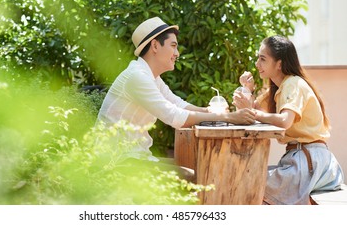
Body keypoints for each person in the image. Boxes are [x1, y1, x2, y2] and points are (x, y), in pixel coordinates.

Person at [97, 17, 255, 165]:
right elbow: (175, 116)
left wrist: (209, 111)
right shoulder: (137, 76)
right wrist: (229, 117)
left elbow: (177, 103)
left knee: (194, 168)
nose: (177, 53)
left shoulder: (150, 76)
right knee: (195, 175)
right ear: (155, 46)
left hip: (133, 157)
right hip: (117, 162)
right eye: (173, 46)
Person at [233, 35, 344, 205]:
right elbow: (253, 108)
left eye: (262, 59)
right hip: (310, 161)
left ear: (279, 63)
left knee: (249, 183)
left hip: (308, 162)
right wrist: (248, 90)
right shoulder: (279, 87)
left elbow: (284, 120)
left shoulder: (292, 84)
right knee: (252, 181)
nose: (257, 64)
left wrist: (253, 113)